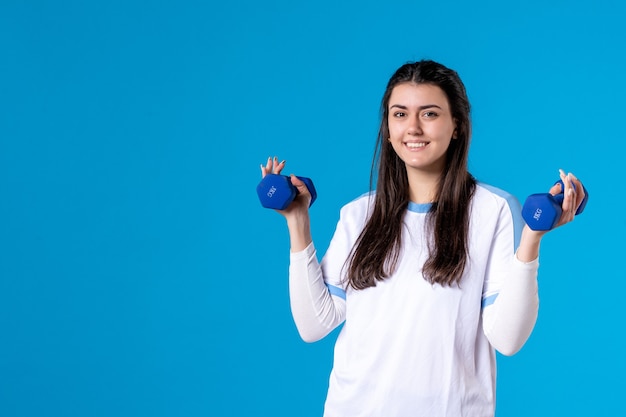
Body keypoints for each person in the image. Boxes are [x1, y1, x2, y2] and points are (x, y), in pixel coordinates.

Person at [259, 59, 586, 417]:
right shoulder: (358, 215)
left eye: (429, 114)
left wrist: (531, 240)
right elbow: (314, 324)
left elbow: (508, 340)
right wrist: (297, 222)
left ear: (457, 126)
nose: (412, 128)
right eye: (399, 114)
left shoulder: (492, 209)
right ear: (387, 127)